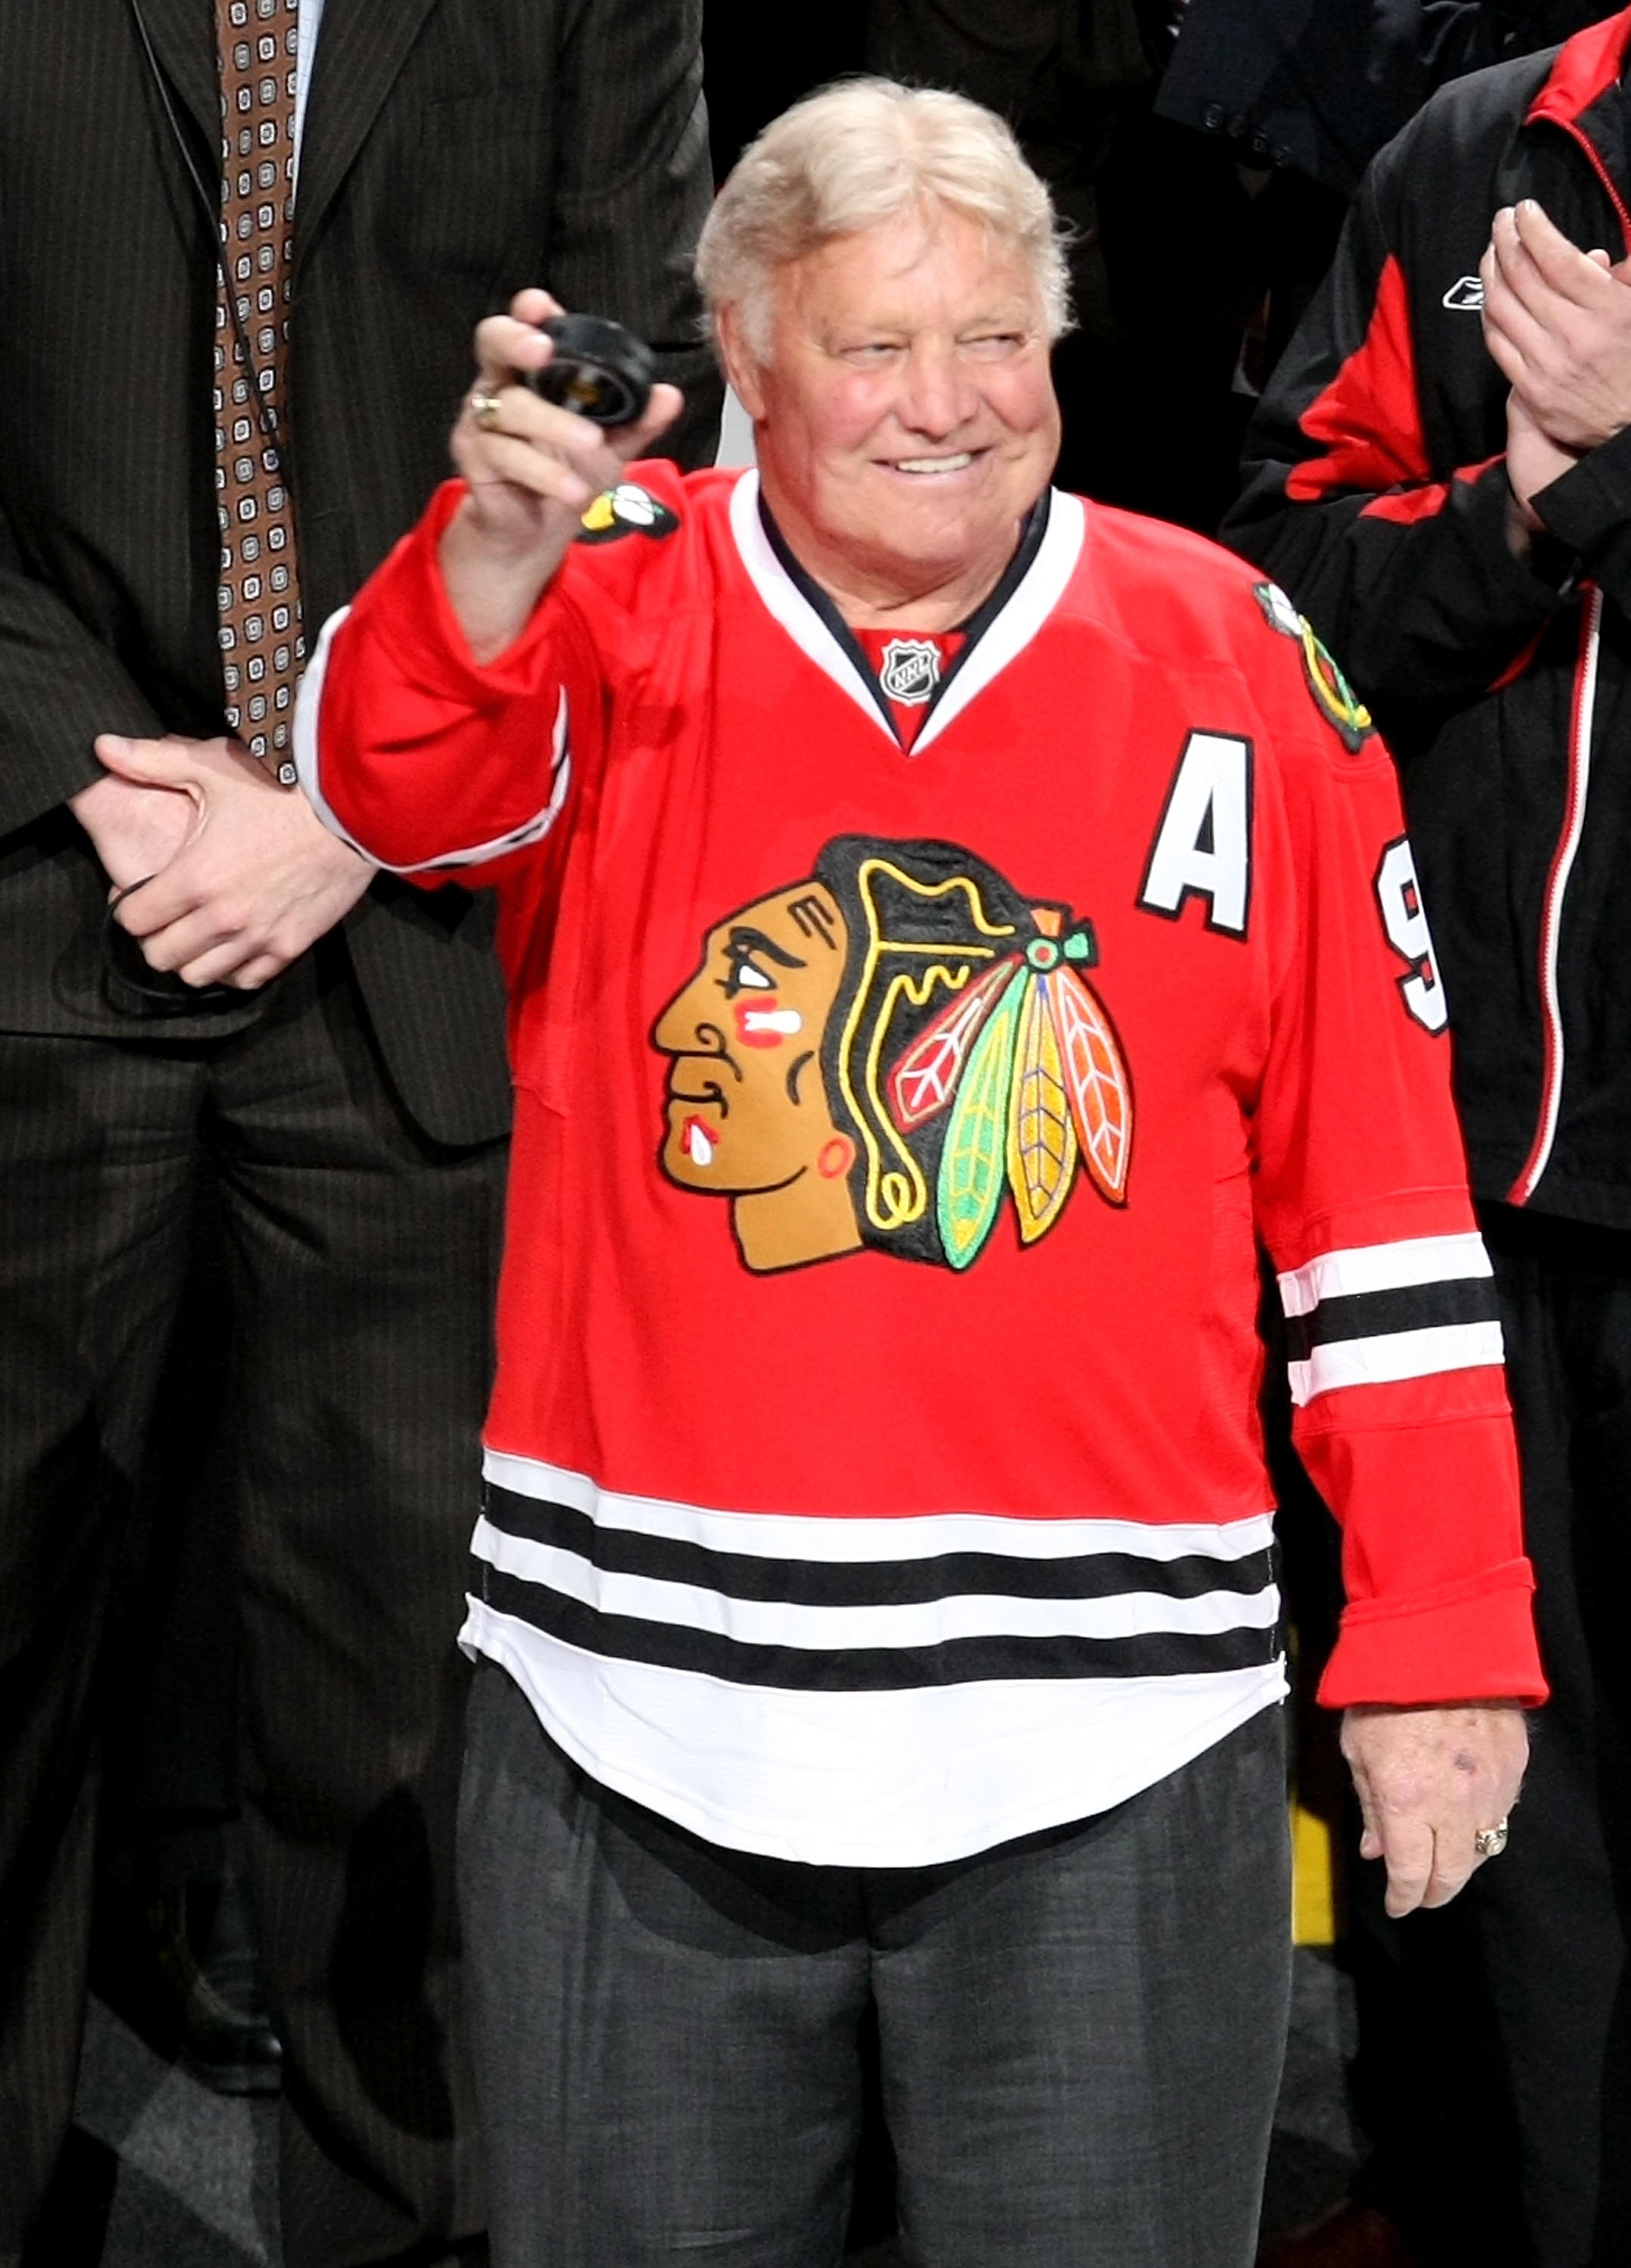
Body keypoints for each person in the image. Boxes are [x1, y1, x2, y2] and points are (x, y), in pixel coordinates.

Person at [301, 79, 1542, 2268]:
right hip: (632, 1718)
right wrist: (483, 554)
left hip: (1111, 1736)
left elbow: (1379, 1209)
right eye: (875, 347)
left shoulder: (1241, 662)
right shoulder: (602, 601)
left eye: (996, 340)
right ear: (744, 362)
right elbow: (401, 789)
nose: (945, 406)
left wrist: (1439, 1637)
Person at [0, 3, 717, 2264]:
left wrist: (346, 794)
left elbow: (641, 425)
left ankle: (399, 2240)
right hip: (45, 877)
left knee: (407, 1720)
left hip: (422, 921)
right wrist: (113, 779)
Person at [1227, 1, 1631, 2257]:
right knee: (1483, 1854)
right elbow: (1281, 599)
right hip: (1453, 1191)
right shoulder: (1466, 145)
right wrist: (1530, 505)